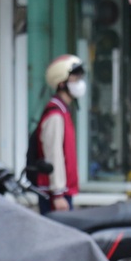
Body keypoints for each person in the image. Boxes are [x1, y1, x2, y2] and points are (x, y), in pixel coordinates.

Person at [32, 54, 86, 213]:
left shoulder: (62, 112)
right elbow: (53, 155)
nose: (80, 83)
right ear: (62, 83)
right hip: (55, 194)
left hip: (63, 192)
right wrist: (57, 194)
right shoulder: (55, 115)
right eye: (75, 78)